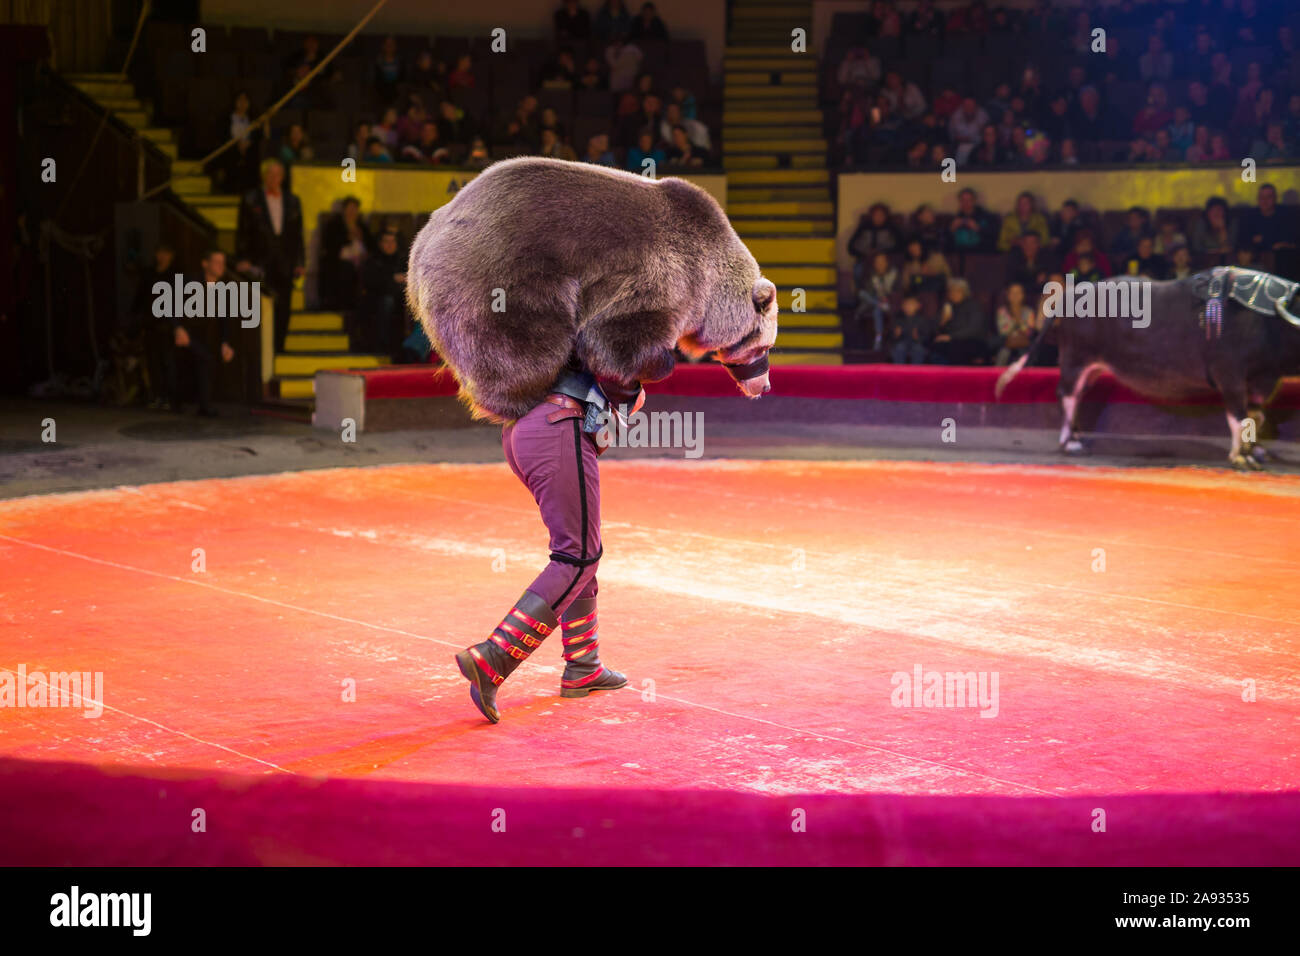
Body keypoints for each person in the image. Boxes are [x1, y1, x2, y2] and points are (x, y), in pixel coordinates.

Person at [234, 158, 304, 355]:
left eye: (277, 174)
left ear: (282, 177)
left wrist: (299, 262)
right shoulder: (250, 199)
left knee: (284, 306)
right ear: (263, 176)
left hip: (285, 261)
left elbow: (298, 235)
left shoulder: (293, 201)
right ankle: (262, 349)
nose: (274, 178)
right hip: (260, 261)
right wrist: (243, 258)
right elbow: (243, 232)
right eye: (270, 174)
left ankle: (279, 347)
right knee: (261, 307)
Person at [165, 249, 237, 416]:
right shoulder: (190, 282)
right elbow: (168, 305)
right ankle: (197, 404)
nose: (221, 266)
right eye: (217, 262)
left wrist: (226, 342)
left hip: (203, 337)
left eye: (223, 263)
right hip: (183, 332)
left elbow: (225, 319)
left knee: (208, 357)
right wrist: (177, 328)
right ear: (205, 264)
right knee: (203, 358)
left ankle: (203, 404)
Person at [359, 229, 407, 357]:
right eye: (386, 241)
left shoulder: (403, 260)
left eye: (393, 241)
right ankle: (383, 346)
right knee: (387, 302)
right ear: (380, 244)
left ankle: (407, 348)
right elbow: (372, 283)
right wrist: (392, 279)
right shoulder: (373, 260)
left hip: (400, 298)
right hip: (377, 299)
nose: (390, 245)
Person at [320, 197, 373, 312]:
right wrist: (347, 238)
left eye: (355, 209)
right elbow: (330, 245)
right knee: (346, 269)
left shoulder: (362, 226)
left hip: (360, 258)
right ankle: (344, 306)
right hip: (339, 260)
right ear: (344, 210)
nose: (352, 212)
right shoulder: (334, 225)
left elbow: (371, 245)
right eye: (350, 208)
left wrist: (360, 237)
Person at [930, 278, 991, 365]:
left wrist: (951, 337)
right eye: (951, 291)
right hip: (951, 342)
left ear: (964, 292)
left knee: (955, 347)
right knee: (936, 345)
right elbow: (935, 330)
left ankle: (956, 376)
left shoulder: (973, 306)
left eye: (957, 291)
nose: (953, 294)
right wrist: (943, 321)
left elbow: (974, 329)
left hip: (972, 341)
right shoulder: (948, 307)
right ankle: (940, 376)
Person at [994, 282, 1034, 366]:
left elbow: (1029, 332)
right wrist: (1017, 321)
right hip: (1007, 344)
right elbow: (1004, 331)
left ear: (1023, 295)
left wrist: (1019, 319)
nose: (1016, 295)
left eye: (1018, 293)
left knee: (1027, 355)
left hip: (1024, 344)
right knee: (1004, 354)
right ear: (1008, 296)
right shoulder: (1002, 311)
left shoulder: (1029, 311)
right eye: (1013, 293)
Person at [890, 294, 932, 364]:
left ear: (918, 306)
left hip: (917, 343)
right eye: (906, 305)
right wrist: (896, 334)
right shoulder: (898, 319)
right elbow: (891, 337)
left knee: (918, 350)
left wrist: (917, 337)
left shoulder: (922, 320)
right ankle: (899, 370)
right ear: (902, 307)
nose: (908, 307)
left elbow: (927, 336)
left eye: (911, 304)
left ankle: (915, 371)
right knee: (899, 348)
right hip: (902, 342)